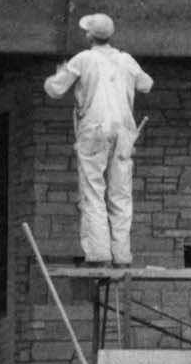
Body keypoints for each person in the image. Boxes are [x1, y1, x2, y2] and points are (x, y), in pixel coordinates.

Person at [44, 14, 154, 266]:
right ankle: (122, 255)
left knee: (93, 192)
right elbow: (146, 84)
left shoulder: (84, 59)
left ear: (90, 35)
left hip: (94, 130)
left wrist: (58, 73)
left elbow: (54, 89)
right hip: (124, 132)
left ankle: (98, 254)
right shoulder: (125, 59)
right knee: (121, 195)